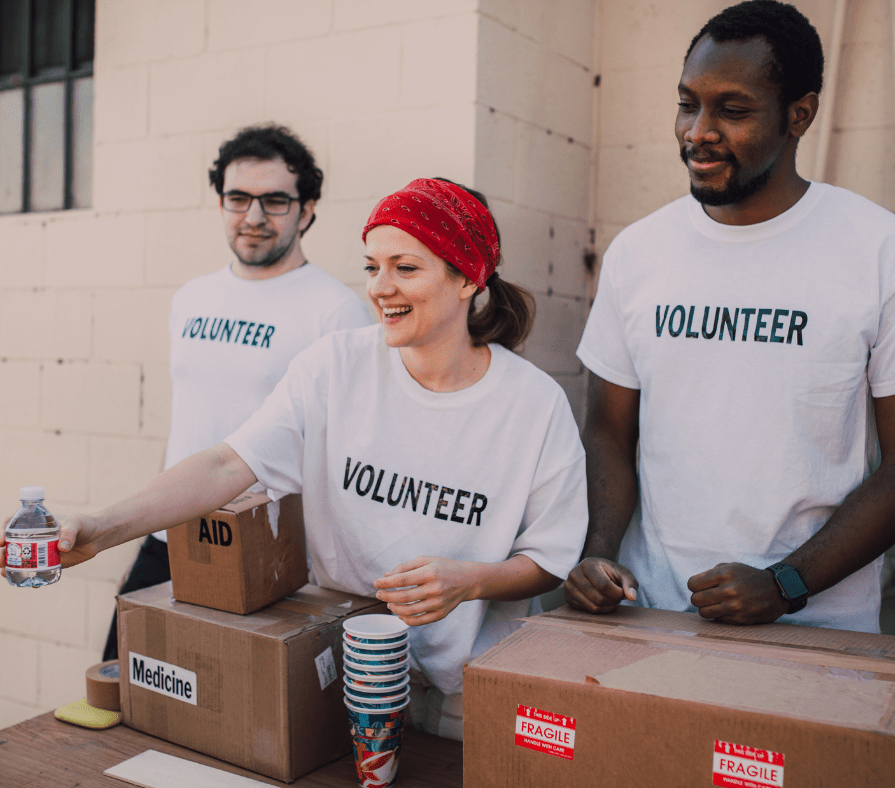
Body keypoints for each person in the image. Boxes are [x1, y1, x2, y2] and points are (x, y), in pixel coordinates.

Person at [14, 178, 588, 741]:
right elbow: (224, 466)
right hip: (341, 674)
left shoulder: (534, 405)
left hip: (467, 697)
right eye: (372, 266)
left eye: (405, 268)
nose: (380, 287)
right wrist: (100, 528)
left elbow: (549, 557)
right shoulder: (335, 367)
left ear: (467, 278)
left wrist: (472, 580)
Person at [564, 0, 895, 633]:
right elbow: (608, 431)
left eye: (732, 110)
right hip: (651, 613)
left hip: (819, 627)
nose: (697, 131)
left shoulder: (886, 253)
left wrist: (785, 584)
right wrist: (599, 551)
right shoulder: (638, 252)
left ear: (801, 114)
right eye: (688, 104)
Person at [102, 124, 372, 661]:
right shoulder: (192, 298)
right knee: (122, 678)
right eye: (238, 199)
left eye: (274, 200)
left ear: (308, 208)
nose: (253, 217)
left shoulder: (336, 310)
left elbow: (348, 447)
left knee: (230, 709)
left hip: (266, 551)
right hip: (171, 530)